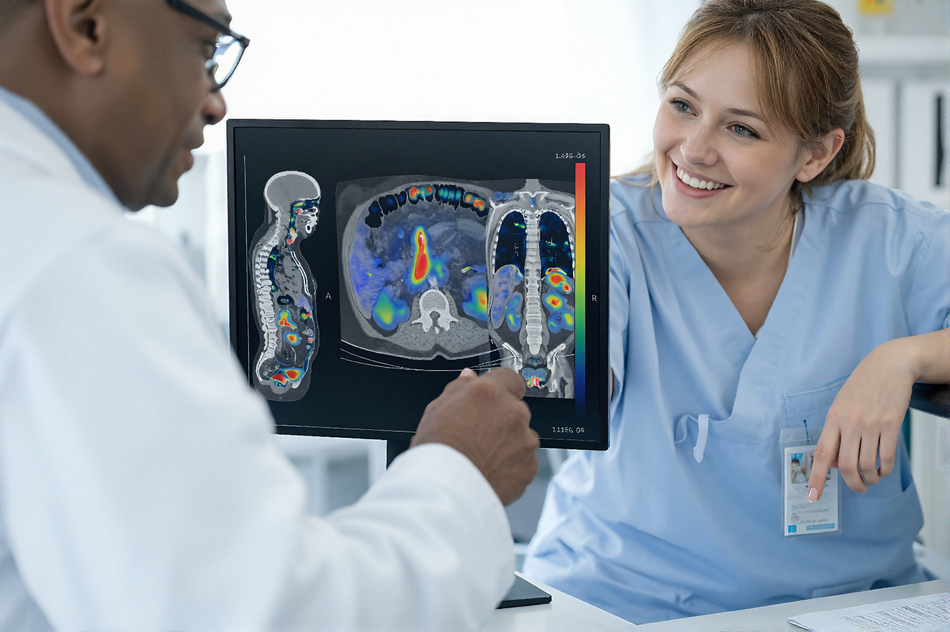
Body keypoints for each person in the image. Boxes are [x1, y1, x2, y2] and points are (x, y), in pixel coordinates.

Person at [0, 0, 540, 630]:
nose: (216, 103)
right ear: (86, 25)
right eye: (206, 50)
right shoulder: (78, 261)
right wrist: (461, 470)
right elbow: (261, 613)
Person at [524, 0, 950, 624]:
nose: (694, 150)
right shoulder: (600, 230)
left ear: (814, 154)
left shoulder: (889, 240)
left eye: (741, 129)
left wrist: (903, 358)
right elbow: (567, 381)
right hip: (618, 600)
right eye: (683, 105)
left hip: (849, 604)